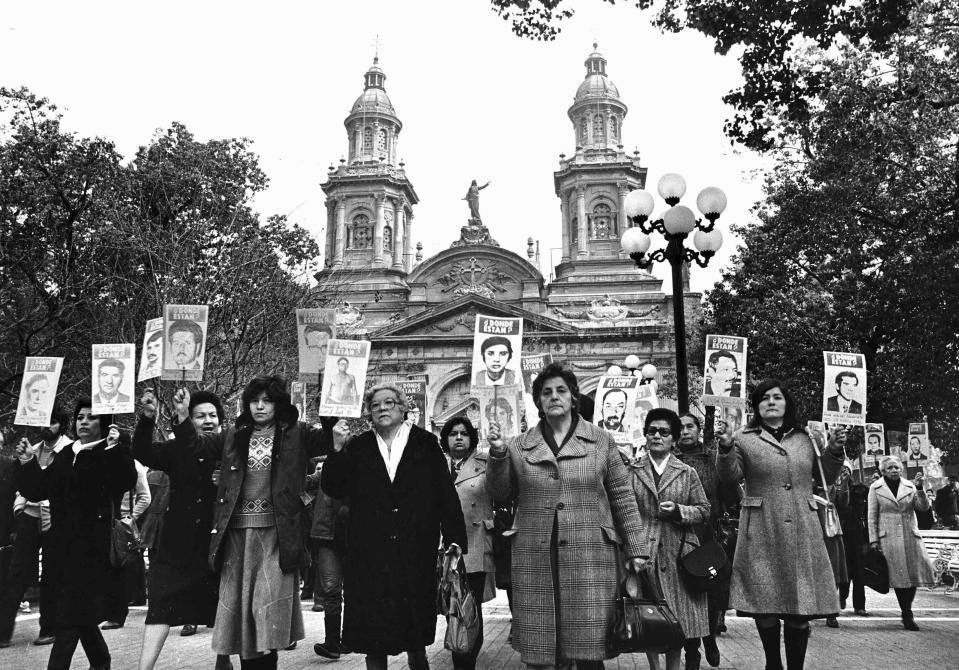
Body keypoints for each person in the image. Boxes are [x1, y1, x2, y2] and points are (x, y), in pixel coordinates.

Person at [486, 363, 646, 669]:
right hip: (536, 557)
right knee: (543, 651)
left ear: (573, 397)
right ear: (538, 402)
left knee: (588, 650)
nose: (554, 397)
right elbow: (500, 493)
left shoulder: (600, 440)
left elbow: (622, 496)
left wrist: (637, 549)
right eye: (546, 392)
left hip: (590, 558)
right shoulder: (519, 446)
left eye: (561, 390)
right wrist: (497, 454)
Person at [171, 376, 331, 669]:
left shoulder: (298, 433)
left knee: (265, 610)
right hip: (236, 537)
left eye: (267, 401)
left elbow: (329, 439)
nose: (259, 406)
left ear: (278, 404)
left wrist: (333, 401)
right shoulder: (234, 433)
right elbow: (194, 446)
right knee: (242, 614)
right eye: (254, 401)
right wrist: (182, 416)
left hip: (277, 536)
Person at [321, 384, 467, 670]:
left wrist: (454, 539)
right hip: (368, 554)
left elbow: (445, 495)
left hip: (414, 550)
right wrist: (336, 450)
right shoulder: (358, 446)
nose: (382, 408)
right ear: (368, 414)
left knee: (415, 637)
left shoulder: (425, 443)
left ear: (403, 409)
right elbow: (334, 487)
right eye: (375, 405)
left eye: (389, 403)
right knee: (372, 639)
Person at [716, 379, 845, 670]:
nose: (770, 402)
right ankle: (772, 663)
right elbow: (729, 478)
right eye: (764, 399)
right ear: (756, 407)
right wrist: (725, 448)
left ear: (787, 402)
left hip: (802, 525)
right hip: (761, 528)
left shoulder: (808, 437)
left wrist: (834, 451)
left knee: (799, 610)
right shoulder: (743, 438)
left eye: (776, 397)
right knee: (765, 604)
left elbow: (824, 477)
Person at [14, 398, 137, 670]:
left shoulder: (109, 452)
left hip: (92, 548)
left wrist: (118, 448)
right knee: (78, 615)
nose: (84, 422)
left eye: (91, 417)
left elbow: (124, 480)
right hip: (61, 548)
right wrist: (27, 462)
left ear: (104, 424)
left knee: (69, 616)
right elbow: (39, 489)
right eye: (80, 417)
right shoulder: (68, 453)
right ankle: (101, 662)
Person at [132, 390, 232, 670]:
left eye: (213, 415)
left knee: (222, 610)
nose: (208, 420)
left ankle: (223, 661)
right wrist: (148, 417)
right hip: (176, 544)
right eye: (200, 415)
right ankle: (144, 668)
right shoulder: (176, 449)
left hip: (216, 544)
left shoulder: (230, 449)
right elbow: (142, 452)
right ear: (189, 418)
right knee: (160, 605)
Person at [630, 409, 710, 670]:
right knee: (649, 619)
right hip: (643, 556)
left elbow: (703, 510)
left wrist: (679, 511)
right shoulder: (632, 471)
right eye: (651, 431)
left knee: (677, 623)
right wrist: (631, 551)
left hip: (678, 557)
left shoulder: (686, 473)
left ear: (674, 439)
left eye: (664, 432)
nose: (657, 436)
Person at [0, 405, 72, 648]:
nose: (46, 426)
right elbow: (21, 483)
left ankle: (48, 629)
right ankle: (2, 632)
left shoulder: (69, 450)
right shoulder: (32, 449)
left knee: (51, 574)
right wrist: (19, 508)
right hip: (29, 516)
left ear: (61, 425)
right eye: (43, 421)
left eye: (52, 422)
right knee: (17, 573)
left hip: (55, 517)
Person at [442, 417, 495, 670]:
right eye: (453, 433)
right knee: (451, 608)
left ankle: (466, 663)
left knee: (469, 608)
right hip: (443, 550)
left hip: (473, 545)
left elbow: (503, 490)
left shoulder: (486, 463)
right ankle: (459, 658)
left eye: (464, 433)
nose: (459, 437)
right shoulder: (435, 465)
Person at [674, 413, 725, 669]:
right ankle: (691, 650)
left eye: (690, 426)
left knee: (712, 595)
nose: (685, 431)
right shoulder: (670, 461)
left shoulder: (713, 458)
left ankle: (710, 637)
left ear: (698, 429)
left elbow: (727, 490)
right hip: (680, 537)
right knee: (688, 596)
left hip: (708, 536)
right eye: (680, 427)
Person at [867, 456, 936, 631]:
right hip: (888, 537)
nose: (894, 470)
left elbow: (922, 508)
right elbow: (872, 516)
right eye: (890, 468)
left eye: (897, 467)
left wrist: (920, 488)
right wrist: (874, 539)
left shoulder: (910, 486)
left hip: (910, 535)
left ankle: (907, 609)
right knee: (899, 577)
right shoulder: (876, 488)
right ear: (883, 471)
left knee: (914, 574)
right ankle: (907, 613)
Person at [307, 418, 350, 660]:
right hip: (325, 532)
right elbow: (303, 485)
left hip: (351, 531)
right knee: (331, 588)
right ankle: (333, 641)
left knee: (352, 587)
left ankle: (350, 636)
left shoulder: (357, 460)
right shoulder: (323, 467)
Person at [101, 438, 151, 630]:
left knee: (121, 565)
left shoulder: (134, 466)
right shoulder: (103, 462)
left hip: (121, 522)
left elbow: (145, 496)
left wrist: (130, 518)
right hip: (104, 520)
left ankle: (117, 613)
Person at [835, 463, 871, 617]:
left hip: (856, 535)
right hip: (838, 534)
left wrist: (868, 538)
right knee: (841, 571)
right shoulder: (829, 489)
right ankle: (841, 597)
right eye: (840, 469)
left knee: (858, 572)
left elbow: (868, 513)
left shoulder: (861, 490)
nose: (843, 471)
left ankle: (859, 605)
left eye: (846, 469)